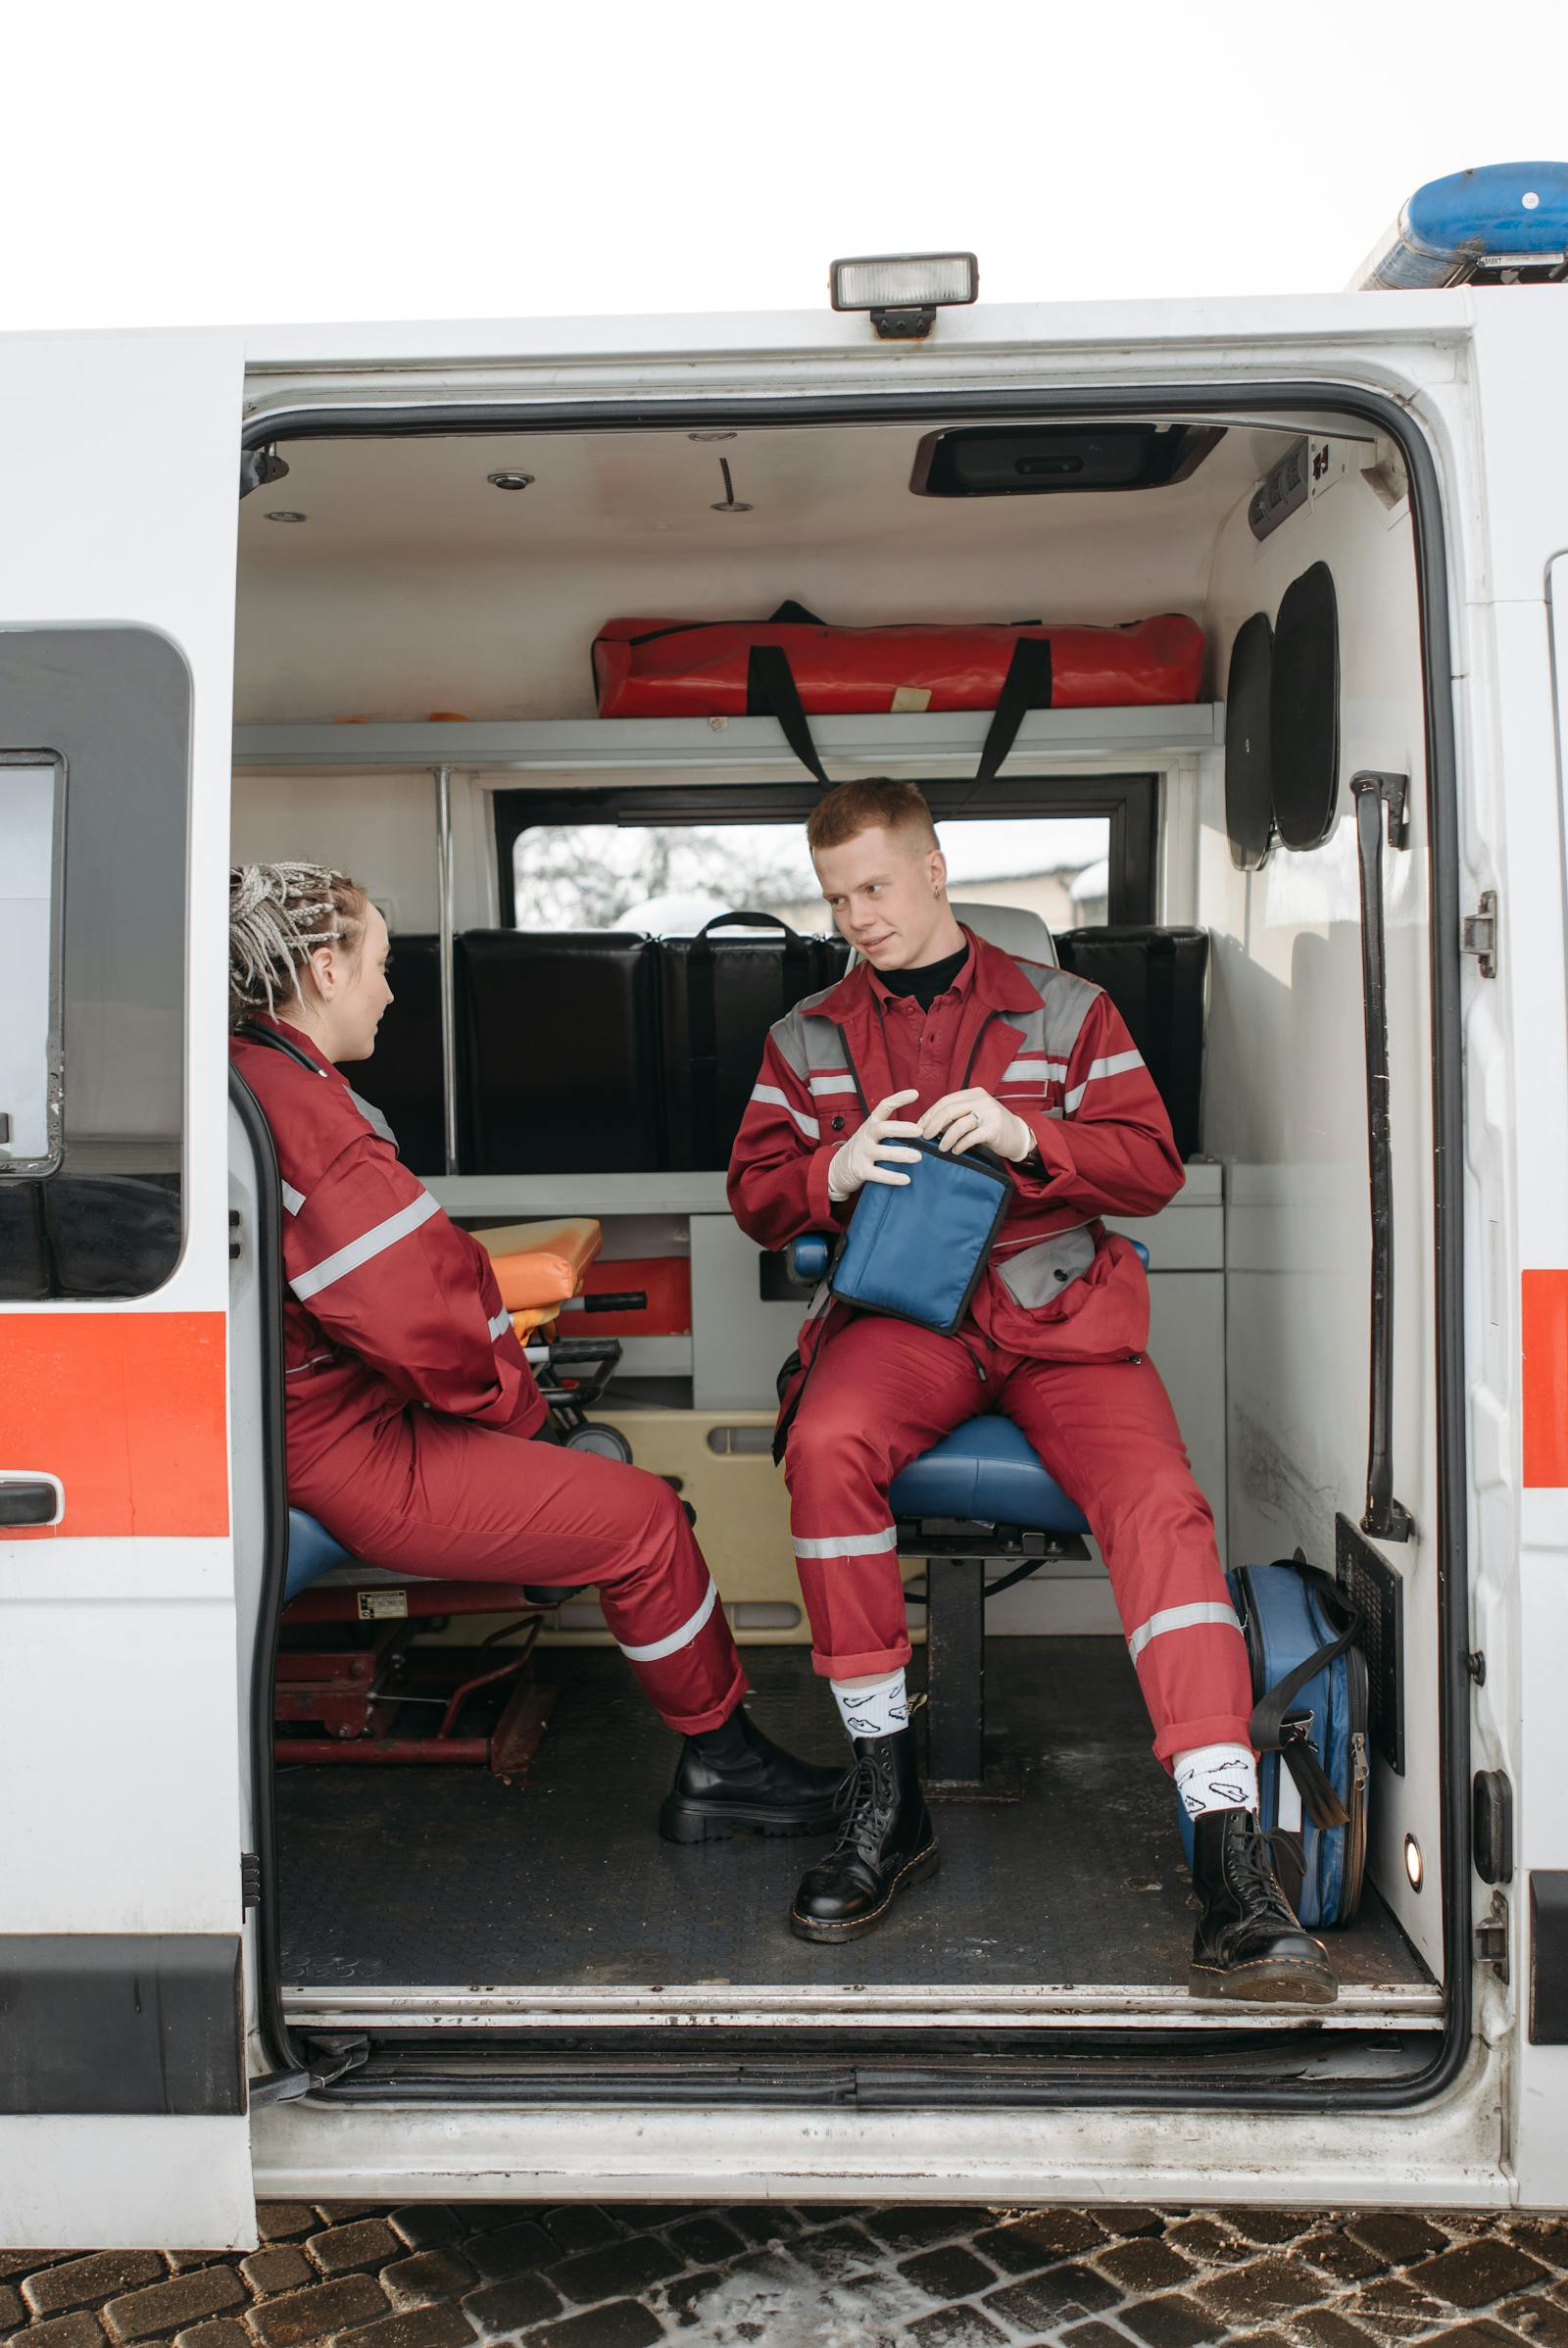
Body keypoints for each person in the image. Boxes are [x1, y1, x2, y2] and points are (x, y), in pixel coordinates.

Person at [727, 781, 1336, 2003]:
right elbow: (753, 1189)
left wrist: (1025, 1136)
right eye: (838, 894)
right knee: (827, 1440)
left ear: (936, 868)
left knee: (1162, 1504)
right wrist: (823, 1170)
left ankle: (1230, 1860)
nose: (858, 916)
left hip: (1058, 1314)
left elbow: (1152, 1165)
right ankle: (884, 1794)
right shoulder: (805, 1033)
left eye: (877, 887)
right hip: (909, 1319)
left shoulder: (1067, 1008)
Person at [229, 861, 845, 1845]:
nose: (392, 989)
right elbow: (425, 1320)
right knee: (642, 1519)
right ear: (326, 969)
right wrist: (521, 1421)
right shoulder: (313, 1122)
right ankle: (725, 1765)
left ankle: (723, 1754)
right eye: (382, 964)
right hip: (347, 1448)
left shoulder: (255, 1073)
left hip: (320, 1419)